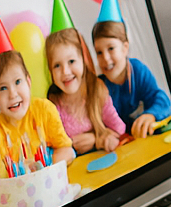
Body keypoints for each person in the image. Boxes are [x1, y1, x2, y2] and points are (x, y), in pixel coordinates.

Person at [0, 11, 75, 172]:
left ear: (29, 81)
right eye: (3, 88)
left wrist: (42, 171)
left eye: (18, 82)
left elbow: (67, 150)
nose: (13, 94)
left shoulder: (44, 110)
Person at [91, 0, 171, 139]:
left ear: (125, 48)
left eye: (111, 48)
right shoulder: (100, 85)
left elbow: (161, 99)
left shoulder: (138, 71)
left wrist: (151, 114)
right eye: (99, 52)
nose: (105, 58)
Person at [47, 25, 125, 154]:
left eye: (71, 61)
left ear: (83, 60)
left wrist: (96, 139)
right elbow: (49, 149)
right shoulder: (52, 104)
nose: (65, 71)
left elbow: (119, 129)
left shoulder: (97, 91)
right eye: (57, 65)